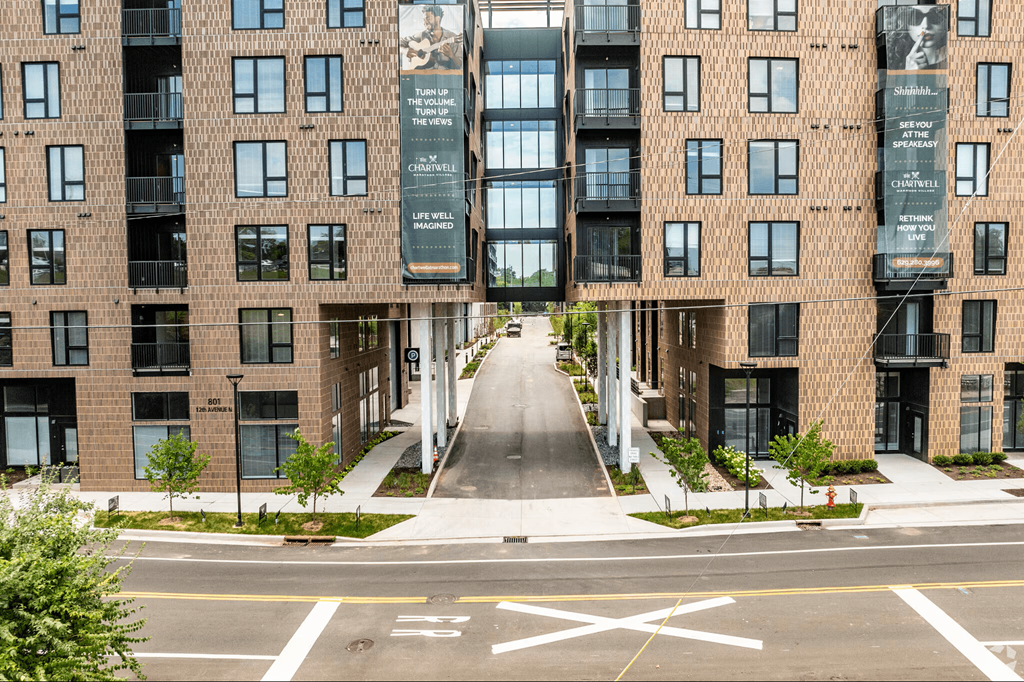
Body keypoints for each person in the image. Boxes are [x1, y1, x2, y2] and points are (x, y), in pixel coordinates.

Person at [400, 5, 463, 71]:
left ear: (438, 18)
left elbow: (459, 66)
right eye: (423, 20)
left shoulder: (452, 37)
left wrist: (451, 55)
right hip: (422, 77)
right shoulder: (420, 36)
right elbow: (398, 42)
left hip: (445, 78)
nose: (425, 23)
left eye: (427, 18)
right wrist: (404, 51)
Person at [887, 5, 948, 71]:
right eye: (916, 18)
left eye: (934, 17)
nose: (926, 26)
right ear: (904, 24)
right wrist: (909, 74)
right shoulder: (893, 64)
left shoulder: (954, 61)